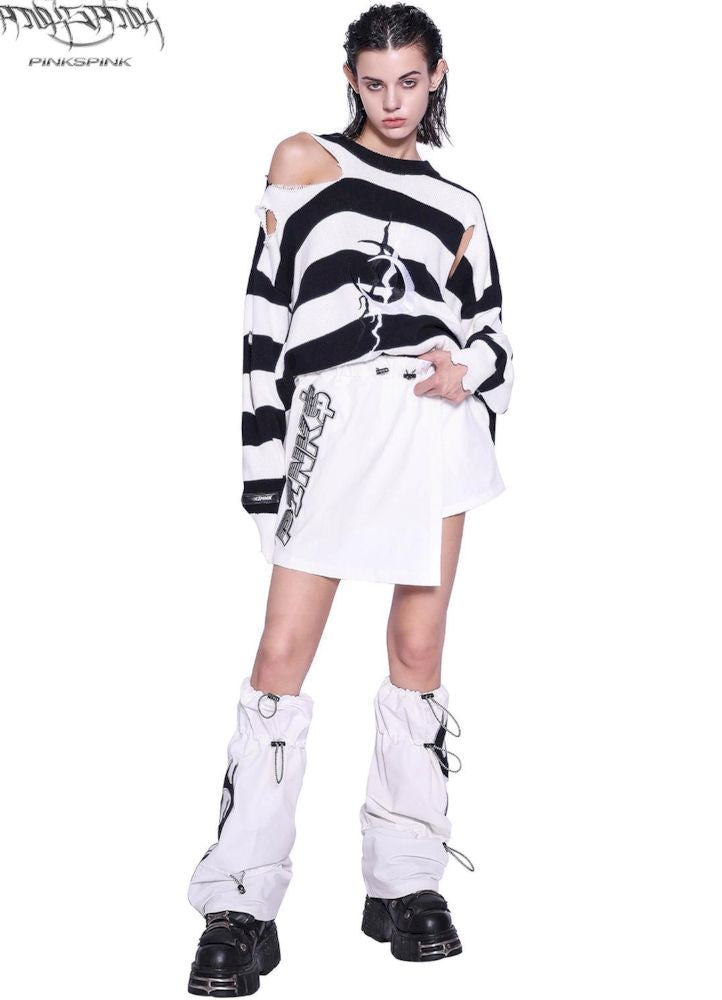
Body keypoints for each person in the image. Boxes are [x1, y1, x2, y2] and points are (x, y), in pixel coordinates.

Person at [186, 4, 515, 994]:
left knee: (418, 649)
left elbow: (494, 331)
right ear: (351, 79)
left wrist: (467, 371)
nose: (393, 101)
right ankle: (241, 901)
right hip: (331, 426)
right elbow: (262, 320)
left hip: (432, 429)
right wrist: (263, 469)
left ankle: (406, 879)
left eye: (410, 81)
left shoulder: (460, 202)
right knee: (282, 653)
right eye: (374, 83)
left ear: (437, 74)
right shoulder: (306, 162)